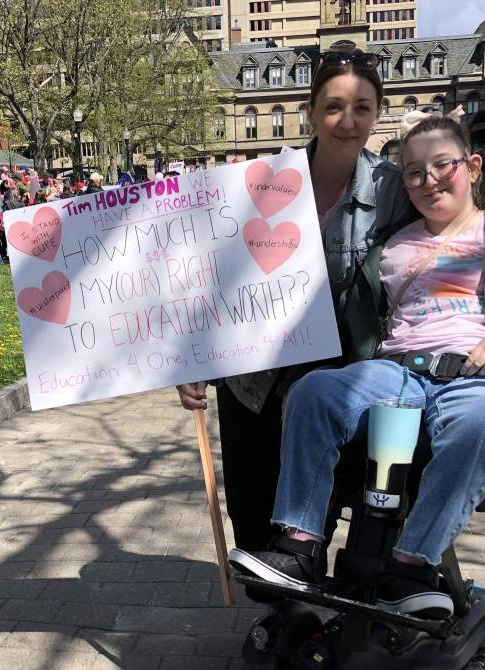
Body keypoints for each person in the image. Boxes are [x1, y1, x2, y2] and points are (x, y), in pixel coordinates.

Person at [227, 115, 485, 618]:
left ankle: (411, 564)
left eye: (441, 166)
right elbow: (321, 315)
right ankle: (299, 546)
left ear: (471, 166)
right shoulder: (391, 248)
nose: (429, 181)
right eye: (414, 173)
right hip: (396, 371)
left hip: (477, 378)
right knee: (315, 392)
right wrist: (219, 346)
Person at [175, 47, 411, 552]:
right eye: (333, 106)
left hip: (336, 380)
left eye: (362, 107)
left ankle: (313, 603)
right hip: (253, 380)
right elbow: (211, 275)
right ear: (310, 111)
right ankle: (281, 607)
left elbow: (462, 223)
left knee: (317, 510)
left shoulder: (397, 191)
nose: (347, 121)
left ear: (378, 112)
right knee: (254, 512)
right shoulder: (255, 186)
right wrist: (190, 357)